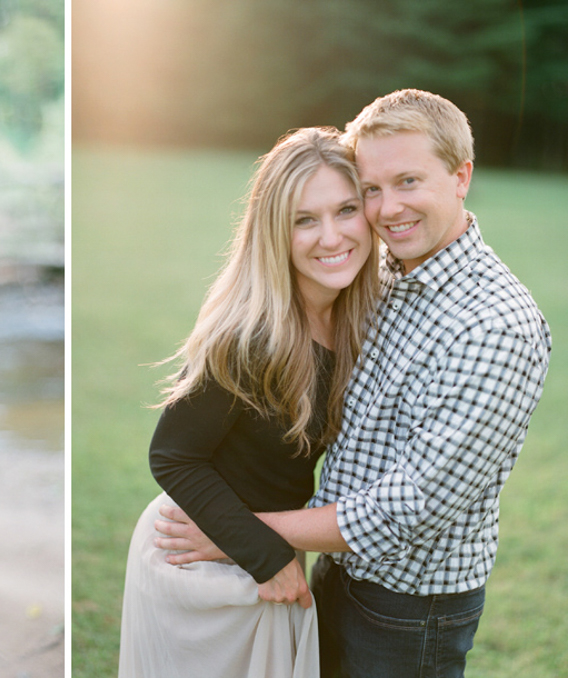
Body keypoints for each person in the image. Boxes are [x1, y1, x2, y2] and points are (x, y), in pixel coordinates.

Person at [154, 90, 552, 678]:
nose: (387, 209)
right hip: (335, 572)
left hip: (409, 609)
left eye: (409, 181)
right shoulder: (382, 273)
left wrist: (241, 537)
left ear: (461, 175)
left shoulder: (495, 326)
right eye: (371, 189)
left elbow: (408, 510)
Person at [118, 127, 381, 678]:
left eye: (346, 210)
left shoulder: (359, 316)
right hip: (196, 558)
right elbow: (173, 455)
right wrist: (267, 557)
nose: (331, 236)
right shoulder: (250, 333)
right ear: (274, 233)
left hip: (258, 551)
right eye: (304, 220)